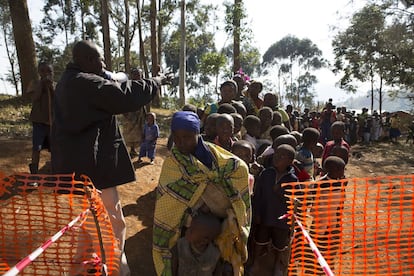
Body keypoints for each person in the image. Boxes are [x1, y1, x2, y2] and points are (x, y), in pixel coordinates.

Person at [51, 40, 162, 275]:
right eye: (100, 59)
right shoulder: (85, 83)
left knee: (84, 223)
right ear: (89, 61)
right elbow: (124, 96)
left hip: (75, 171)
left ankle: (81, 268)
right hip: (93, 172)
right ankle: (115, 269)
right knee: (111, 222)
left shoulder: (69, 82)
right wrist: (156, 82)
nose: (103, 63)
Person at [153, 111, 251, 276]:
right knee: (179, 260)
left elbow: (240, 171)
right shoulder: (173, 164)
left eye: (187, 137)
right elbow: (168, 198)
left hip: (219, 228)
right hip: (186, 229)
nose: (181, 143)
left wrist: (211, 190)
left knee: (217, 264)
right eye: (176, 138)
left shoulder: (221, 161)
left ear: (198, 134)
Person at [250, 144, 298, 275]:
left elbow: (294, 201)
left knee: (280, 244)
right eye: (276, 155)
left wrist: (280, 192)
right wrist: (257, 212)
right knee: (260, 240)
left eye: (282, 156)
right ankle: (256, 263)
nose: (277, 158)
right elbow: (258, 194)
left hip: (281, 220)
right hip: (265, 215)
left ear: (290, 161)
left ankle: (278, 264)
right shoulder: (266, 173)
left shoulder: (292, 179)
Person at [27, 61, 54, 174]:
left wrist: (51, 87)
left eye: (49, 71)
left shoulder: (55, 85)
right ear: (39, 72)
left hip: (52, 123)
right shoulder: (34, 84)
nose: (46, 73)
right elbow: (34, 98)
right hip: (39, 122)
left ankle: (54, 170)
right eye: (43, 71)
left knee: (55, 148)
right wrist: (42, 85)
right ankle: (34, 174)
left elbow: (58, 99)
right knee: (36, 148)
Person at [121, 67, 145, 158]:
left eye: (139, 75)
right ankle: (130, 150)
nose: (138, 77)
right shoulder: (127, 85)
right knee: (129, 131)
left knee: (139, 131)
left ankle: (134, 150)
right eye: (136, 75)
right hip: (129, 113)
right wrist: (125, 112)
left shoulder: (143, 85)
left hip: (139, 113)